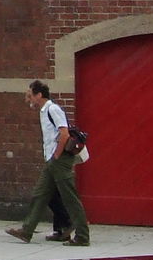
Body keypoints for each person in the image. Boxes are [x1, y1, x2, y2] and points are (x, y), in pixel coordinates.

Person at [5, 79, 90, 245]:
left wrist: (56, 156)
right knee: (40, 194)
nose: (28, 99)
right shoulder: (44, 111)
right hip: (52, 160)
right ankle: (26, 230)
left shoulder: (53, 109)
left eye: (30, 96)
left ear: (39, 95)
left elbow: (64, 133)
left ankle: (83, 236)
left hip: (59, 160)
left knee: (70, 198)